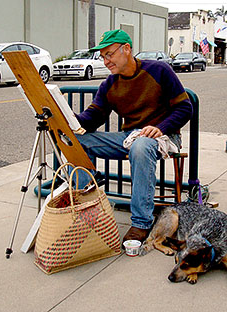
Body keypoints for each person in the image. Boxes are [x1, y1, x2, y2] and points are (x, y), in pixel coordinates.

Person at [74, 29, 193, 246]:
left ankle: (141, 222)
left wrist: (161, 127)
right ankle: (86, 211)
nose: (106, 60)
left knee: (141, 146)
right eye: (102, 56)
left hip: (165, 136)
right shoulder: (109, 84)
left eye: (109, 54)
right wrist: (66, 117)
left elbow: (185, 107)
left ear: (126, 49)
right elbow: (93, 118)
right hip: (130, 136)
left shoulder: (159, 70)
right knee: (79, 142)